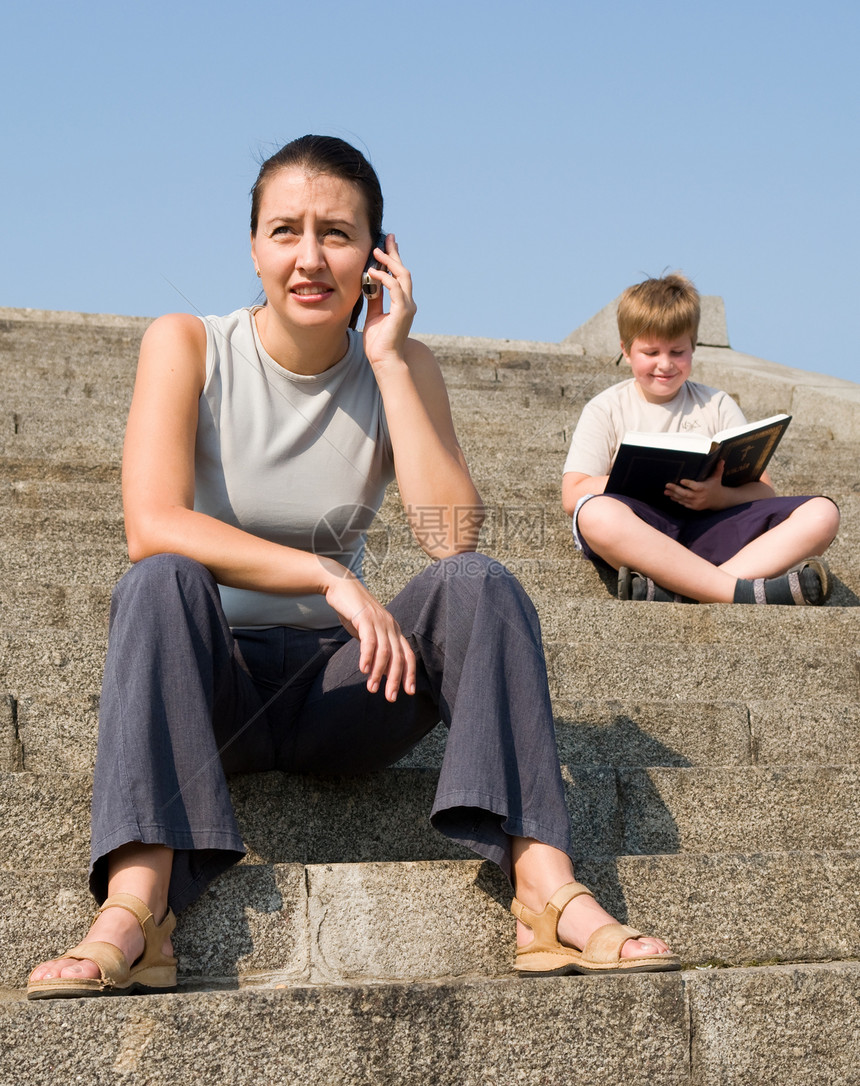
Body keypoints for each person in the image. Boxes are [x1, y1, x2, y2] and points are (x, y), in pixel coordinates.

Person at [28, 136, 678, 999]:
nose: (308, 257)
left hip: (346, 687)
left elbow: (452, 537)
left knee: (480, 585)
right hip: (214, 688)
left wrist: (388, 361)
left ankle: (546, 890)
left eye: (336, 234)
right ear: (253, 246)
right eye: (284, 231)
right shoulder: (189, 343)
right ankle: (137, 906)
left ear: (376, 255)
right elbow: (152, 524)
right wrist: (326, 575)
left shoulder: (399, 368)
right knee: (160, 580)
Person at [562, 273, 840, 604]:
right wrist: (630, 481)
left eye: (677, 351)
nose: (664, 364)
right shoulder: (605, 408)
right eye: (651, 352)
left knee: (823, 513)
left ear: (693, 346)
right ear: (625, 350)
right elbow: (573, 494)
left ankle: (686, 591)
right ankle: (737, 590)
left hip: (712, 528)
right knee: (595, 514)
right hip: (646, 533)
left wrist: (718, 497)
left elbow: (763, 490)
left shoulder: (716, 404)